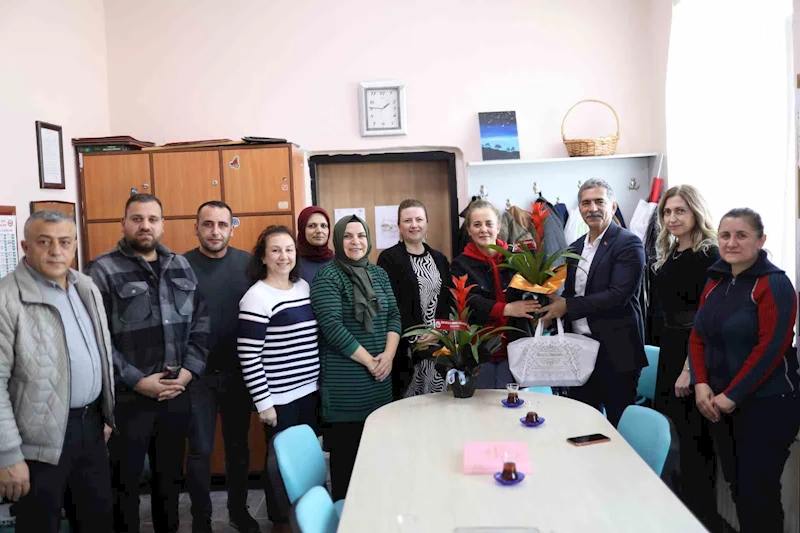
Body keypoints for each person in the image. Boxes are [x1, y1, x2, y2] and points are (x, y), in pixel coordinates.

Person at [86, 193, 209, 533]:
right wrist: (137, 380)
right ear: (123, 223)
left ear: (162, 224)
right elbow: (97, 338)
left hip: (175, 394)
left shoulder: (180, 266)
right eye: (137, 219)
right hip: (128, 400)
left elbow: (201, 322)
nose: (145, 226)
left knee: (169, 483)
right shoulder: (102, 270)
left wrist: (187, 374)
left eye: (152, 219)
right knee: (124, 486)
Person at [0, 211, 115, 533]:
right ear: (25, 246)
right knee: (40, 525)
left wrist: (105, 413)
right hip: (36, 441)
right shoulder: (6, 298)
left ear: (75, 246)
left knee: (97, 521)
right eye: (44, 242)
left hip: (90, 427)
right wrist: (8, 455)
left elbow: (100, 353)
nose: (56, 251)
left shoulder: (86, 286)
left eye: (64, 242)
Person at [689, 208, 799, 533]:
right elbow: (697, 336)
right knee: (738, 488)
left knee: (758, 494)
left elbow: (771, 348)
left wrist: (732, 395)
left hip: (767, 404)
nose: (731, 243)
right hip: (720, 403)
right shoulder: (716, 279)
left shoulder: (774, 283)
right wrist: (700, 383)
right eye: (725, 235)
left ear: (761, 240)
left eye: (742, 235)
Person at [538, 178, 647, 427]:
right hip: (579, 351)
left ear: (613, 206)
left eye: (599, 201)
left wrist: (567, 306)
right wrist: (550, 307)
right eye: (586, 203)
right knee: (584, 426)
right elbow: (573, 293)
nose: (592, 208)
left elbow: (618, 296)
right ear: (579, 208)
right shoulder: (575, 247)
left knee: (619, 426)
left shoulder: (628, 243)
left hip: (616, 353)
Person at [310, 215, 400, 500]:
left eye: (361, 235)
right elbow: (332, 328)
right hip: (346, 390)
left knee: (377, 461)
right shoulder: (328, 277)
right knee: (347, 468)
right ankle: (345, 517)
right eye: (348, 236)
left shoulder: (379, 274)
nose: (355, 241)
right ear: (338, 240)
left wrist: (388, 356)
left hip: (380, 383)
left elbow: (394, 315)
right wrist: (371, 362)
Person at [237, 225, 321, 531]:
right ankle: (281, 522)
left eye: (288, 249)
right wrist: (264, 403)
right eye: (275, 250)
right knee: (280, 466)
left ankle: (309, 516)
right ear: (263, 257)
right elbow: (249, 356)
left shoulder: (303, 288)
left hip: (309, 392)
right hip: (279, 399)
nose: (283, 256)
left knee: (306, 460)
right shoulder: (256, 298)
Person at [183, 201, 258, 533]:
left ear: (231, 228)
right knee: (200, 451)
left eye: (222, 225)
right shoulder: (180, 265)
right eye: (208, 224)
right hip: (196, 375)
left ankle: (239, 512)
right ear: (196, 228)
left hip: (239, 373)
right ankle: (201, 520)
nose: (215, 231)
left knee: (238, 448)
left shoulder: (247, 264)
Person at [651, 185, 720, 532]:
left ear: (695, 212)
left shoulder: (709, 254)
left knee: (696, 442)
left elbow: (708, 317)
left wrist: (689, 369)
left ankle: (700, 519)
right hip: (671, 347)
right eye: (667, 212)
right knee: (675, 436)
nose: (672, 218)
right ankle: (678, 513)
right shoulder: (672, 251)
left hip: (693, 352)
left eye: (680, 211)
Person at [451, 200, 539, 389]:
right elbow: (469, 300)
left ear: (498, 227)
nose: (483, 229)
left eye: (489, 224)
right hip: (480, 350)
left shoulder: (516, 257)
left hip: (517, 346)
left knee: (515, 401)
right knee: (484, 402)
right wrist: (506, 309)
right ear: (469, 230)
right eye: (477, 225)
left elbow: (532, 290)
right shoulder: (460, 264)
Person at [378, 199, 452, 398]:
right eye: (407, 220)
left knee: (437, 402)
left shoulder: (439, 259)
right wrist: (416, 337)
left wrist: (438, 331)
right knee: (409, 404)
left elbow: (447, 300)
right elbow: (390, 304)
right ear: (399, 226)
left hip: (437, 346)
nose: (414, 225)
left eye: (419, 219)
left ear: (426, 223)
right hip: (406, 348)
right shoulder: (388, 259)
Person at [297, 206, 334, 284]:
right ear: (302, 230)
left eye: (323, 226)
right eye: (312, 226)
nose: (319, 231)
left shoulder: (338, 262)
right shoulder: (292, 263)